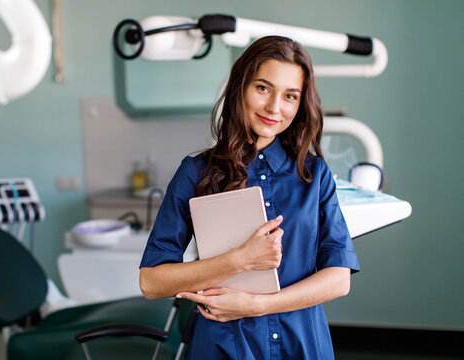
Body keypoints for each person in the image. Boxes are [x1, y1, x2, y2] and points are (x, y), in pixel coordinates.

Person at [139, 36, 360, 359]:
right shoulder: (195, 172)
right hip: (223, 345)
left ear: (301, 104)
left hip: (302, 345)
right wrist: (239, 259)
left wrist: (258, 305)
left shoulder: (315, 176)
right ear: (241, 87)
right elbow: (151, 282)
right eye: (263, 88)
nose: (274, 107)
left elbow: (339, 279)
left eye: (290, 96)